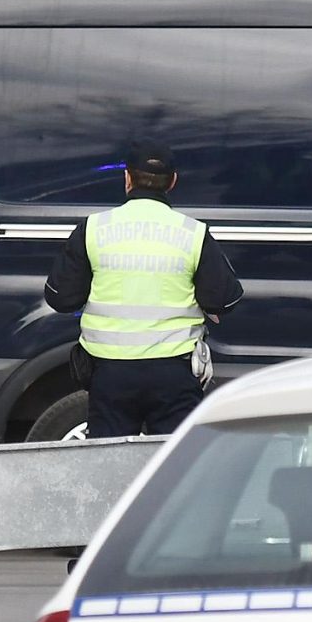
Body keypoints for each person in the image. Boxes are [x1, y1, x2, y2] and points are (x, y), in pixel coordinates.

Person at [44, 145, 242, 437]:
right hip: (173, 373)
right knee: (173, 459)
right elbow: (224, 299)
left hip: (110, 374)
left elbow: (61, 298)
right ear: (172, 181)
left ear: (127, 178)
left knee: (109, 458)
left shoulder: (93, 229)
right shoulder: (193, 233)